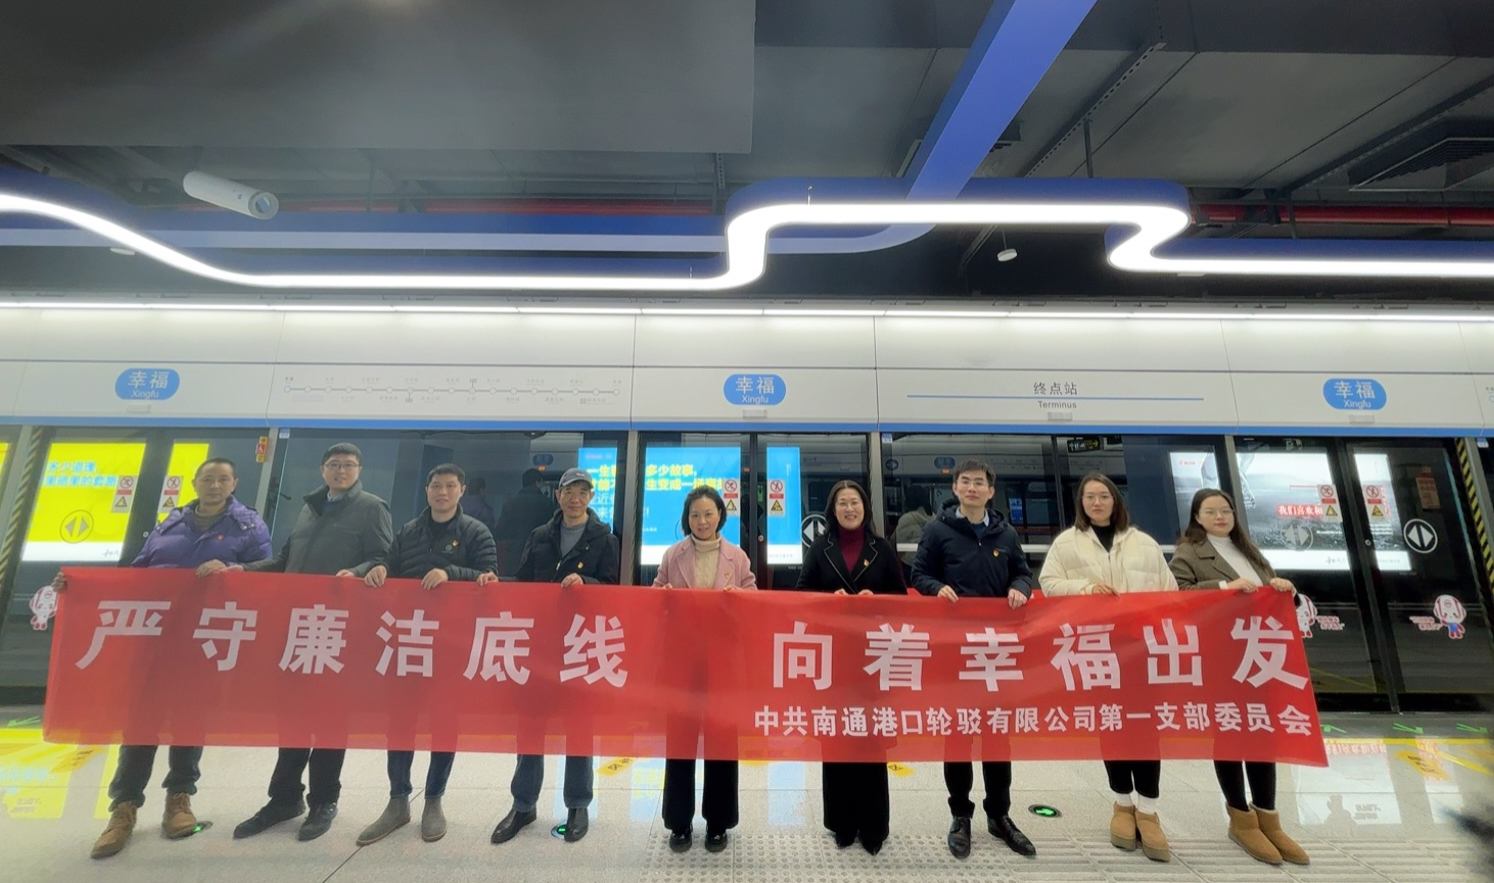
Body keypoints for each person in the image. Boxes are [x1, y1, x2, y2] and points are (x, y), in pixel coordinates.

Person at [69, 458, 271, 859]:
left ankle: (179, 799)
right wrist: (78, 587)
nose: (215, 485)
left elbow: (267, 573)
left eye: (223, 479)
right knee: (140, 719)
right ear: (195, 482)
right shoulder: (170, 523)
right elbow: (137, 572)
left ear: (235, 483)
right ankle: (123, 808)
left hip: (206, 637)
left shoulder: (249, 526)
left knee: (188, 718)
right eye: (208, 478)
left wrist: (235, 570)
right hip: (154, 637)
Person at [201, 442, 393, 843]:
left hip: (339, 628)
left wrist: (356, 571)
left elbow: (382, 558)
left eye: (349, 465)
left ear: (359, 470)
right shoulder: (309, 508)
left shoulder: (372, 507)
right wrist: (241, 570)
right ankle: (285, 798)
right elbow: (284, 561)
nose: (341, 470)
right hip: (297, 626)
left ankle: (324, 800)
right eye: (334, 464)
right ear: (323, 469)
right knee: (291, 716)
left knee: (330, 717)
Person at [344, 463, 500, 847]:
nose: (442, 492)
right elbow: (392, 565)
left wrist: (452, 573)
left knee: (445, 721)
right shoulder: (409, 531)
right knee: (400, 721)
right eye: (435, 486)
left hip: (451, 644)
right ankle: (398, 800)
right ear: (427, 490)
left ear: (462, 490)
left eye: (450, 486)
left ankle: (433, 800)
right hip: (409, 641)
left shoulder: (476, 532)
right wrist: (380, 570)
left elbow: (490, 579)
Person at [1039, 472, 1179, 863]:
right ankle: (1122, 803)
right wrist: (1085, 589)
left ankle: (1148, 810)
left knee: (1146, 727)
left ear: (1116, 500)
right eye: (1089, 497)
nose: (1097, 503)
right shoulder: (1067, 543)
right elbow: (1049, 583)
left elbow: (1170, 593)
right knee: (1112, 723)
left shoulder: (1144, 543)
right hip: (1098, 650)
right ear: (1081, 503)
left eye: (1103, 496)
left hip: (1142, 650)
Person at [1168, 487, 1308, 866]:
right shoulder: (1189, 552)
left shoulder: (1250, 551)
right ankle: (1240, 818)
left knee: (1261, 734)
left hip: (1260, 656)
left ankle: (1268, 817)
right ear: (1197, 518)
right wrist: (1222, 587)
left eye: (1225, 510)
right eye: (1211, 511)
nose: (1220, 517)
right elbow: (1177, 594)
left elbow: (1274, 596)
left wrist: (1287, 590)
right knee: (1230, 733)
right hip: (1221, 656)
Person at [910, 459, 1037, 860]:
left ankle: (999, 815)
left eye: (979, 482)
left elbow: (1023, 573)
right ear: (955, 489)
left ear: (990, 491)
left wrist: (1020, 587)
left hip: (997, 653)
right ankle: (960, 815)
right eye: (965, 481)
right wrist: (936, 588)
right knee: (959, 734)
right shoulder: (938, 530)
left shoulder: (1006, 533)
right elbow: (918, 574)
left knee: (998, 734)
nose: (971, 488)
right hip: (955, 652)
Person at [491, 467, 619, 846]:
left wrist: (587, 584)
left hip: (581, 643)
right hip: (540, 644)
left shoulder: (605, 539)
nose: (575, 499)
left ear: (591, 497)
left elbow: (613, 589)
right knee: (530, 725)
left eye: (582, 492)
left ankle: (577, 804)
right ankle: (523, 804)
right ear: (558, 496)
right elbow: (523, 583)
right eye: (569, 492)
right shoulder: (540, 536)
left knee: (579, 726)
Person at [794, 479, 905, 855]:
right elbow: (802, 594)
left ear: (864, 507)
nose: (848, 508)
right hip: (834, 658)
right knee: (838, 737)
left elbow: (901, 598)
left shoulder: (881, 548)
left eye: (854, 502)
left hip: (874, 659)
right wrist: (830, 599)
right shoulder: (820, 548)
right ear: (833, 510)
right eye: (842, 503)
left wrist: (878, 599)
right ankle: (841, 823)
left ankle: (874, 826)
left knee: (870, 741)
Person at [652, 484, 755, 854]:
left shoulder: (737, 557)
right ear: (687, 519)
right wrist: (663, 596)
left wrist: (739, 599)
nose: (702, 520)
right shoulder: (673, 555)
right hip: (683, 664)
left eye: (709, 513)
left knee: (722, 742)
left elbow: (753, 599)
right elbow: (655, 599)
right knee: (680, 741)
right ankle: (678, 822)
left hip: (723, 664)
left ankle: (718, 822)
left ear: (720, 516)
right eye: (695, 514)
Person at [495, 468, 557, 575]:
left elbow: (500, 530)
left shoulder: (509, 503)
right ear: (538, 483)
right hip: (539, 553)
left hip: (513, 553)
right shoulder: (547, 503)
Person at [891, 485, 933, 574]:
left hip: (909, 565)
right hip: (930, 564)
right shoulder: (934, 518)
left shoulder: (906, 519)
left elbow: (896, 544)